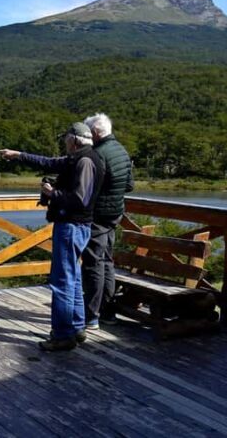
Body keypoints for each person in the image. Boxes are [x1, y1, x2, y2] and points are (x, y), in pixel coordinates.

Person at [0, 123, 104, 351]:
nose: (64, 142)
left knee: (62, 281)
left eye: (66, 138)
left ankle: (63, 336)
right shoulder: (81, 157)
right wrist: (18, 155)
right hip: (77, 226)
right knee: (73, 278)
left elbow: (80, 200)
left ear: (74, 139)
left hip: (72, 226)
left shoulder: (85, 161)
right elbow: (48, 162)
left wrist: (51, 193)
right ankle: (77, 327)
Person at [81, 113, 134, 331]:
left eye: (87, 133)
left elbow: (87, 188)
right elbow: (129, 185)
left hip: (98, 216)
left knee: (93, 264)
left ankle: (91, 316)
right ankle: (108, 312)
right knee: (107, 261)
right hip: (115, 215)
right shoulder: (121, 150)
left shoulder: (97, 154)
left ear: (95, 133)